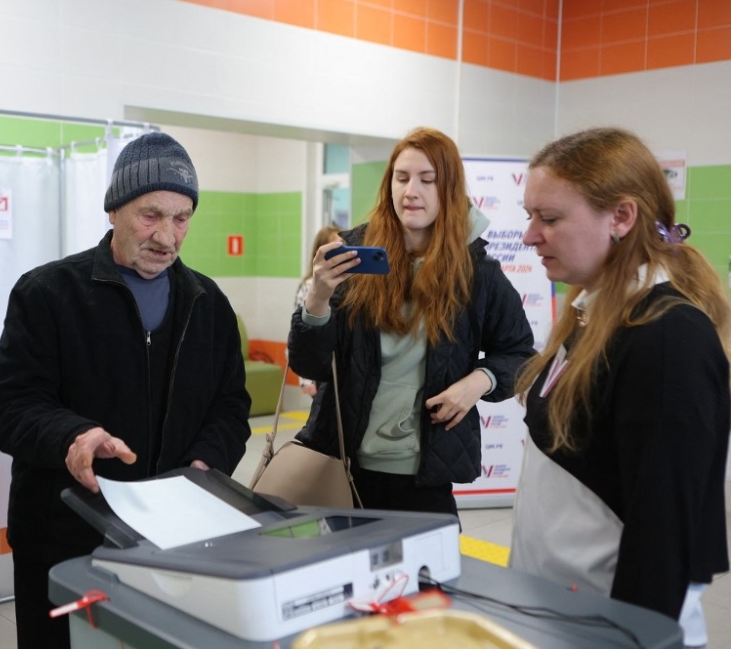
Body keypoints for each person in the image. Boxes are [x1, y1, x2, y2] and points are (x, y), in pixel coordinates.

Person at [0, 132, 252, 648]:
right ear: (113, 210)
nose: (167, 237)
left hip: (171, 539)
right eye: (151, 215)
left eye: (182, 218)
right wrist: (73, 436)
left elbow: (229, 405)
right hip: (65, 538)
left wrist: (207, 461)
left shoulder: (207, 303)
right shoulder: (48, 294)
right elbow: (10, 408)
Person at [509, 127, 730, 647]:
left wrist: (629, 638)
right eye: (529, 216)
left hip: (610, 627)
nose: (530, 236)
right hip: (558, 613)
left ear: (622, 217)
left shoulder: (668, 338)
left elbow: (663, 533)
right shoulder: (593, 314)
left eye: (550, 218)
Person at [287, 127, 534, 516]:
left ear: (448, 189)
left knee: (430, 558)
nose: (410, 191)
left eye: (427, 180)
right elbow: (310, 365)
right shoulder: (355, 260)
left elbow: (520, 355)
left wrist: (478, 382)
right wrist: (317, 297)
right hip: (344, 468)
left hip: (426, 476)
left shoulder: (476, 273)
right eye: (401, 178)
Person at [295, 224, 342, 396]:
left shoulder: (345, 283)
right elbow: (302, 330)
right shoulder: (310, 286)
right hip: (318, 369)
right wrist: (305, 379)